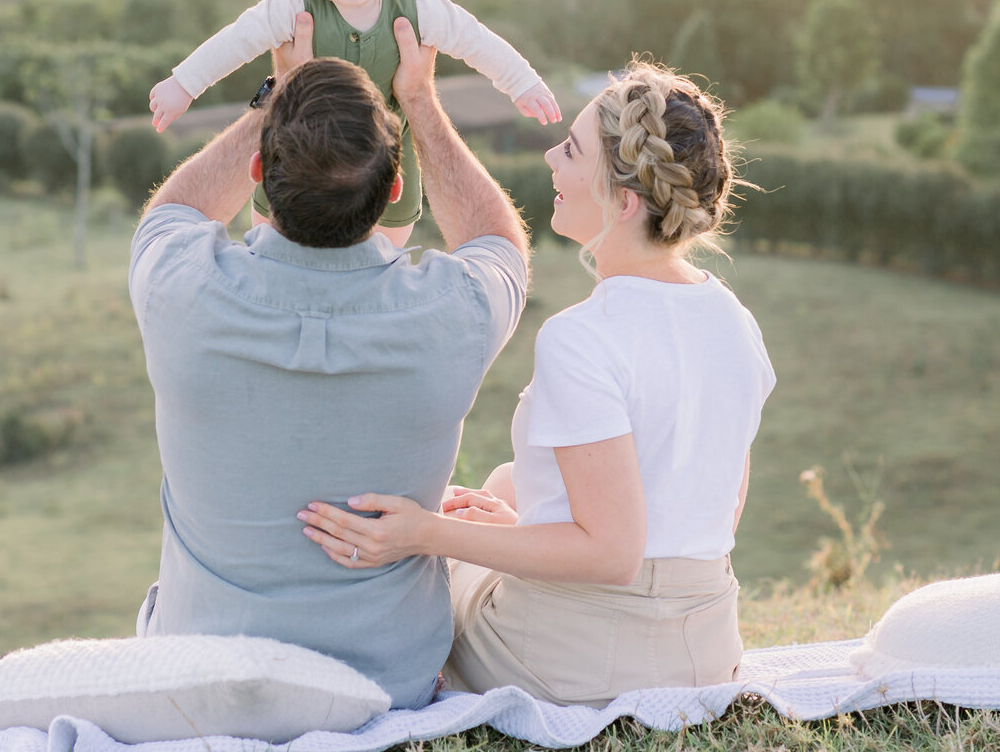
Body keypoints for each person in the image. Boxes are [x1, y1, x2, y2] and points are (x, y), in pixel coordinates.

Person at [299, 62, 772, 708]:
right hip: (708, 647)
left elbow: (612, 554)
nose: (552, 156)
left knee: (442, 563)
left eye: (572, 150)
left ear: (624, 201)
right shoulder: (735, 320)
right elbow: (713, 509)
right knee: (501, 486)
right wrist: (527, 526)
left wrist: (420, 532)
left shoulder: (583, 336)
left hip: (580, 662)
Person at [128, 14, 529, 708]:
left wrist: (276, 95)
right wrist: (423, 103)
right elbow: (500, 241)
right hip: (387, 683)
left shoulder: (180, 289)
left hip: (197, 671)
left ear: (259, 170)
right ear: (395, 185)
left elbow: (173, 213)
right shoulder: (450, 312)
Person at [148, 0, 560, 246]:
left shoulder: (417, 7)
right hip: (296, 152)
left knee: (386, 246)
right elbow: (236, 40)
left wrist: (521, 83)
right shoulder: (293, 2)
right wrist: (184, 84)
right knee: (269, 235)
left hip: (387, 156)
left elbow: (476, 41)